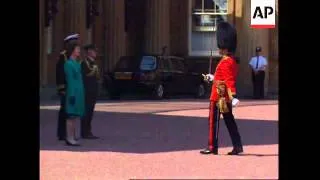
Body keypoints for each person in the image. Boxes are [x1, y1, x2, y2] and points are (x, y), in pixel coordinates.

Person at [201, 22, 243, 155]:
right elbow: (224, 78)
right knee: (229, 121)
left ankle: (212, 146)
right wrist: (212, 77)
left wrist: (234, 96)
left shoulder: (226, 62)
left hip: (218, 98)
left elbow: (228, 81)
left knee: (213, 122)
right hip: (223, 98)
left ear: (225, 46)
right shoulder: (230, 60)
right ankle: (237, 145)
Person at [56, 33, 80, 141]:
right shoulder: (63, 57)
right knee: (64, 111)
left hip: (72, 88)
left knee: (70, 110)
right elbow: (60, 73)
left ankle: (69, 133)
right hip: (66, 87)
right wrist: (62, 88)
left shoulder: (73, 57)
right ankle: (62, 133)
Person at [64, 42, 85, 146]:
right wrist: (72, 94)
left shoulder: (77, 63)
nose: (79, 51)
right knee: (70, 116)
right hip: (73, 92)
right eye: (77, 49)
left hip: (79, 92)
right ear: (72, 50)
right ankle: (69, 138)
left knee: (75, 116)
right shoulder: (68, 64)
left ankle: (73, 136)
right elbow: (70, 80)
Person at [80, 44, 100, 139]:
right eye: (94, 51)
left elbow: (96, 77)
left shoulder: (94, 63)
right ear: (89, 52)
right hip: (86, 91)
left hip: (93, 91)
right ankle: (84, 132)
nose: (96, 53)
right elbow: (84, 78)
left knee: (90, 112)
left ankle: (88, 131)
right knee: (86, 112)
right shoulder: (84, 63)